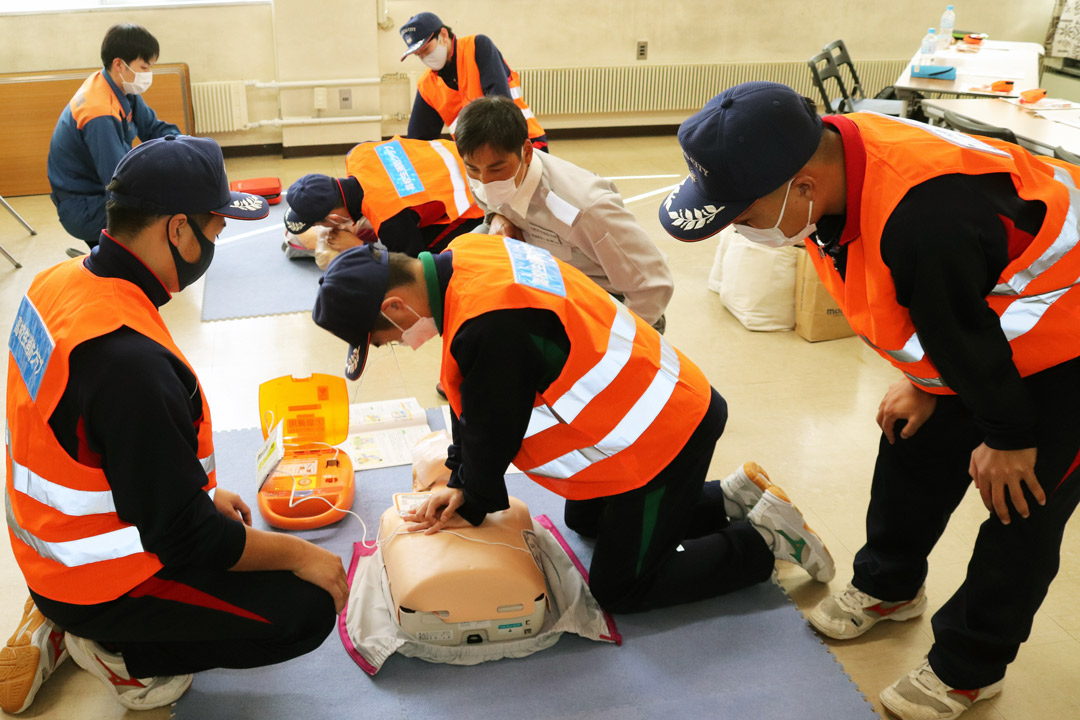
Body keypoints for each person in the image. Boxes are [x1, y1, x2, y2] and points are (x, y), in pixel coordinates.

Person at [659, 80, 1080, 720]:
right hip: (985, 317)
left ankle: (969, 667)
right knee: (910, 437)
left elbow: (959, 318)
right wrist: (924, 380)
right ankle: (890, 584)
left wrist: (1009, 437)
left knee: (1019, 507)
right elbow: (945, 311)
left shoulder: (922, 217)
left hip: (1066, 342)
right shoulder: (833, 169)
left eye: (741, 215)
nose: (738, 230)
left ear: (803, 186)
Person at [1, 135, 347, 714]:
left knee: (228, 528)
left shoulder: (58, 283)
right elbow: (189, 540)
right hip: (99, 579)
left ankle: (59, 612)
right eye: (213, 232)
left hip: (47, 546)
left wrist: (196, 492)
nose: (214, 246)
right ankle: (115, 652)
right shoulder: (128, 362)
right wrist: (298, 555)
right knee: (305, 609)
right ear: (177, 231)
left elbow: (87, 441)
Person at [309, 238, 835, 615]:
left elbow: (494, 430)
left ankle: (767, 539)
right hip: (650, 404)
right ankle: (731, 496)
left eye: (386, 337)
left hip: (661, 437)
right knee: (584, 519)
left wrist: (466, 494)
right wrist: (460, 478)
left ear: (395, 306)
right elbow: (479, 409)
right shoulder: (474, 253)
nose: (399, 342)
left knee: (621, 589)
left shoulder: (489, 326)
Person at [455, 96, 673, 331]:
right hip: (551, 275)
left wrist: (615, 340)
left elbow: (654, 284)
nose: (485, 181)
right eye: (473, 168)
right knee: (471, 256)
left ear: (527, 153)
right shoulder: (481, 172)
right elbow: (489, 201)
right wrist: (497, 217)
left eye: (497, 169)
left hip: (609, 301)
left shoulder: (586, 208)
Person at [47, 24, 180, 251]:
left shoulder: (120, 87)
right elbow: (118, 182)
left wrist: (188, 148)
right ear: (120, 64)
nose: (148, 74)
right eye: (144, 67)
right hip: (85, 207)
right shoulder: (99, 112)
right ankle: (108, 261)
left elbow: (155, 129)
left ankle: (110, 256)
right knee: (161, 208)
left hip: (98, 194)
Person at [283, 136, 484, 266]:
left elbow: (413, 268)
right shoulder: (357, 153)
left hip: (478, 193)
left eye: (319, 224)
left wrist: (360, 247)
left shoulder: (388, 218)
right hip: (463, 151)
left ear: (334, 217)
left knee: (433, 258)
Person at [399, 12, 547, 151]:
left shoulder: (477, 47)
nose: (425, 57)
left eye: (426, 49)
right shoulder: (427, 85)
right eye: (419, 55)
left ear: (443, 35)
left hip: (524, 143)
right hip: (478, 159)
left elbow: (500, 106)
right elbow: (418, 141)